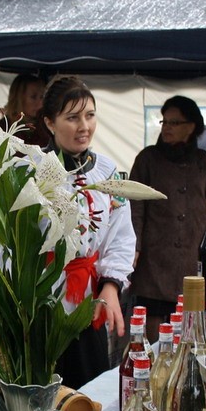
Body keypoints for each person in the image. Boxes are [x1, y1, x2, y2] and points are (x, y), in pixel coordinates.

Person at [41, 75, 136, 389]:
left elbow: (122, 236)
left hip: (90, 300)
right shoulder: (30, 171)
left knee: (88, 397)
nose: (84, 126)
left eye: (90, 115)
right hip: (40, 303)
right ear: (50, 123)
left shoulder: (106, 171)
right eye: (72, 117)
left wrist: (111, 284)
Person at [129, 95, 206, 341]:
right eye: (164, 122)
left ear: (192, 127)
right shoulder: (147, 159)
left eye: (174, 123)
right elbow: (135, 207)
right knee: (153, 335)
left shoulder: (205, 163)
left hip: (194, 257)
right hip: (154, 261)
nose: (167, 127)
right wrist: (133, 246)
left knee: (192, 328)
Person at [4, 73, 48, 147]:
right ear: (18, 98)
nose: (40, 103)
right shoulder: (0, 129)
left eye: (42, 97)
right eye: (33, 97)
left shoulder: (43, 128)